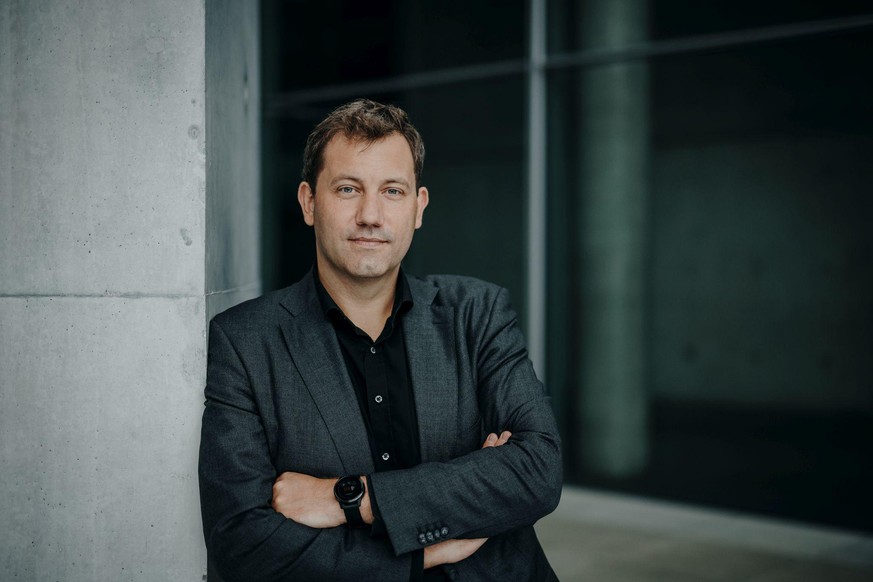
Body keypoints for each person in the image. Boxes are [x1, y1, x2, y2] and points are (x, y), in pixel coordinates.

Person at [198, 99, 562, 581]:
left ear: (418, 207)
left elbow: (538, 472)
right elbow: (243, 542)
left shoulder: (477, 313)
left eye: (393, 191)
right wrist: (420, 552)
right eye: (348, 188)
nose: (371, 214)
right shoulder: (245, 341)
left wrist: (348, 499)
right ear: (309, 202)